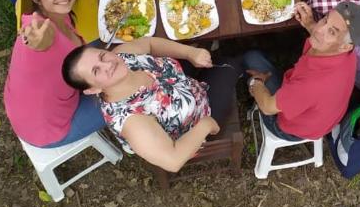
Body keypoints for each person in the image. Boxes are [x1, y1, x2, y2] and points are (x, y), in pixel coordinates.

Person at [61, 37, 240, 173]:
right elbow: (173, 160)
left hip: (184, 85)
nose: (108, 63)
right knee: (232, 64)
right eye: (96, 70)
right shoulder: (132, 121)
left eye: (102, 56)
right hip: (198, 121)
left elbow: (149, 43)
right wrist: (206, 125)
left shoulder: (122, 55)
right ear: (92, 90)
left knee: (207, 50)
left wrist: (189, 53)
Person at [4, 0, 105, 147]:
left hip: (35, 101)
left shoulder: (59, 14)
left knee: (113, 44)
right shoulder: (39, 30)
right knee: (129, 93)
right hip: (47, 128)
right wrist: (33, 43)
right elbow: (36, 42)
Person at [245, 1, 360, 141]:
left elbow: (267, 107)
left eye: (332, 31)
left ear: (345, 47)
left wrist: (257, 82)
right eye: (325, 20)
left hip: (290, 127)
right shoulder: (348, 54)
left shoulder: (311, 86)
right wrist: (309, 23)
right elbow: (324, 34)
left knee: (251, 57)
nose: (319, 30)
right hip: (317, 112)